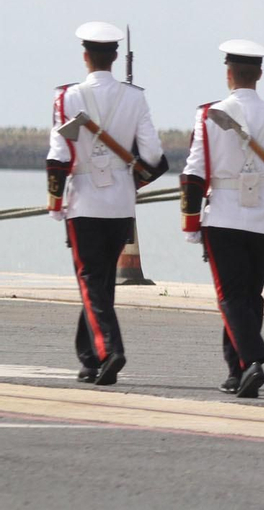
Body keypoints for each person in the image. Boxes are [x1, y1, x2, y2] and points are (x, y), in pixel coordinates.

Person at [180, 39, 264, 398]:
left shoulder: (209, 114)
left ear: (229, 74)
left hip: (223, 215)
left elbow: (193, 175)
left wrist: (191, 224)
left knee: (230, 296)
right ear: (260, 75)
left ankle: (252, 360)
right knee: (248, 295)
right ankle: (237, 372)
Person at [45, 22, 166, 386]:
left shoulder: (67, 97)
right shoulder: (134, 97)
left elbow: (57, 156)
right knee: (100, 282)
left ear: (85, 56)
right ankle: (90, 359)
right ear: (114, 57)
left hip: (83, 201)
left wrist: (55, 204)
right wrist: (133, 183)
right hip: (119, 204)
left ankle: (110, 348)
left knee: (90, 281)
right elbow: (155, 157)